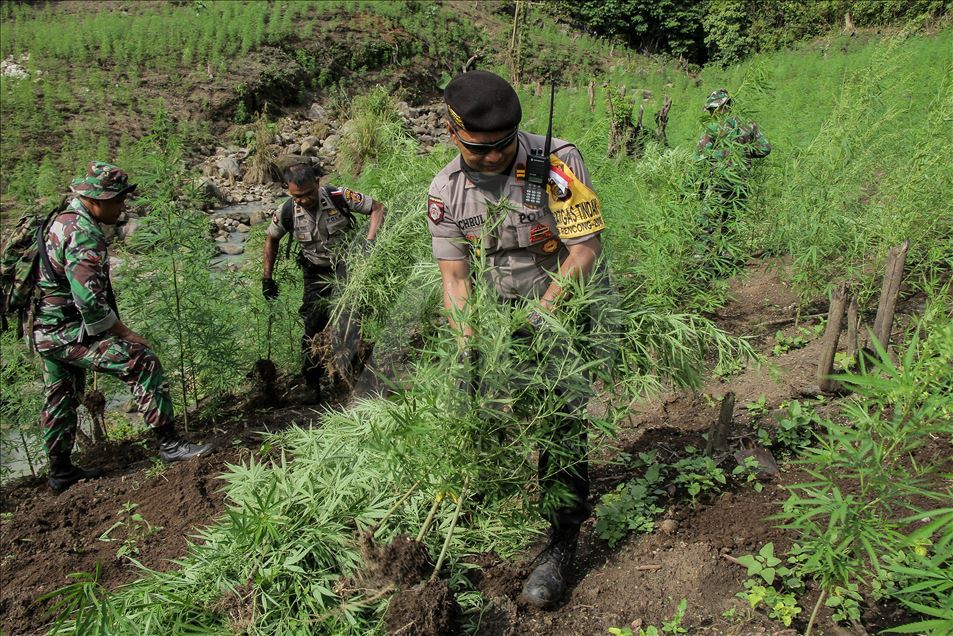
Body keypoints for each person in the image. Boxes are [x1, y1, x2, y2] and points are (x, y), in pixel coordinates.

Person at [427, 70, 605, 609]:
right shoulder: (445, 191)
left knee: (560, 423)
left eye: (503, 147)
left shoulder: (556, 163)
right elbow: (455, 281)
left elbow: (585, 250)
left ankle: (561, 540)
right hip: (493, 316)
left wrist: (545, 313)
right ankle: (476, 519)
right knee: (477, 411)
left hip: (559, 306)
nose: (491, 158)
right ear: (452, 132)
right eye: (479, 149)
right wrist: (467, 342)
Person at [34, 162, 213, 493]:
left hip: (46, 329)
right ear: (98, 200)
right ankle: (170, 443)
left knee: (59, 396)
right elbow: (89, 301)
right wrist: (125, 333)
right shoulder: (84, 233)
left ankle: (60, 473)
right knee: (141, 360)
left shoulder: (59, 221)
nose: (123, 208)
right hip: (67, 331)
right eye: (119, 201)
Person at [261, 164, 386, 403]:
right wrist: (267, 278)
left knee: (349, 323)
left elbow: (378, 208)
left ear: (317, 184)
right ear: (289, 191)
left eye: (308, 193)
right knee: (312, 327)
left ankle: (350, 380)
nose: (304, 200)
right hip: (314, 272)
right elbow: (271, 239)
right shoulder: (287, 211)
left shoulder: (339, 196)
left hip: (347, 268)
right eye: (297, 196)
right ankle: (312, 385)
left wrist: (369, 243)